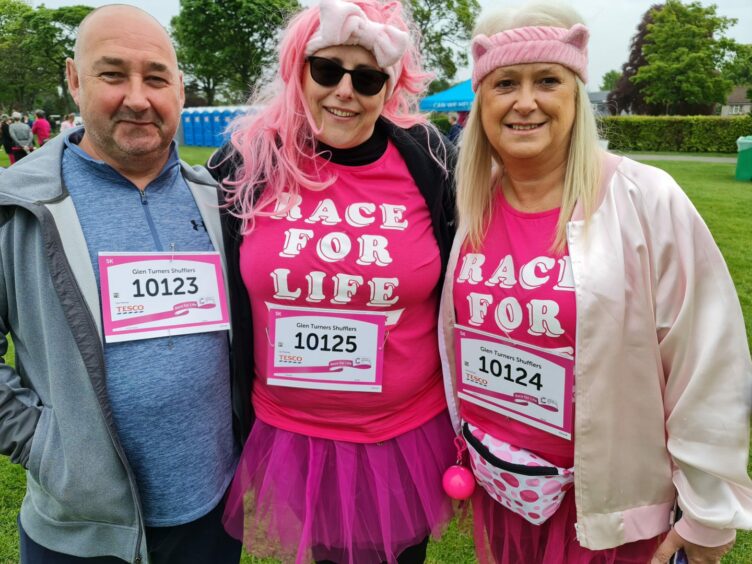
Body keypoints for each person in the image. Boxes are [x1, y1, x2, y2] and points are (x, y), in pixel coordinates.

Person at [439, 2, 752, 563]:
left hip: (609, 516)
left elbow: (706, 360)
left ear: (576, 94)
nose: (525, 101)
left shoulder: (645, 198)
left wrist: (708, 510)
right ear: (481, 99)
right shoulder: (472, 204)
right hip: (503, 492)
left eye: (548, 80)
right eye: (505, 82)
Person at [208, 0, 457, 561]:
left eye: (367, 78)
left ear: (388, 88)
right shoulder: (248, 161)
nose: (345, 90)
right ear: (300, 69)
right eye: (328, 70)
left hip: (401, 434)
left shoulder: (430, 160)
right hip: (289, 433)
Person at [0, 5, 243, 563]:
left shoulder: (218, 200)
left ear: (179, 89)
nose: (138, 97)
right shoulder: (18, 205)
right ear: (74, 79)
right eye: (113, 74)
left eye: (156, 77)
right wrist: (43, 446)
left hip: (212, 514)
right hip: (83, 532)